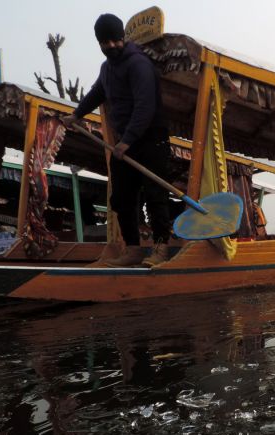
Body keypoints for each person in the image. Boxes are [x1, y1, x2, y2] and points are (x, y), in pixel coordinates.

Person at [62, 13, 171, 267]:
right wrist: (76, 115)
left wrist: (126, 141)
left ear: (123, 37)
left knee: (155, 195)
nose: (111, 45)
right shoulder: (107, 68)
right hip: (126, 142)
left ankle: (161, 248)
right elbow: (96, 93)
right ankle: (133, 250)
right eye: (105, 42)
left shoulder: (138, 64)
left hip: (151, 139)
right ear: (99, 43)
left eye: (115, 40)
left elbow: (145, 107)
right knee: (121, 198)